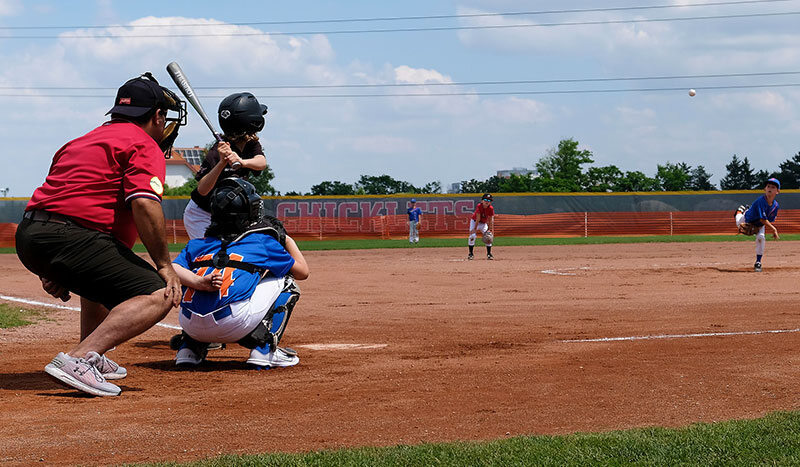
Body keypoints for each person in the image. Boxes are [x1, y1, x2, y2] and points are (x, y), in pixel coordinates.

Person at [15, 72, 186, 397]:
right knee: (158, 293)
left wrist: (54, 267)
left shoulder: (80, 141)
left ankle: (95, 355)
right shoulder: (143, 143)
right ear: (157, 116)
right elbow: (144, 203)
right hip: (72, 236)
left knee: (98, 283)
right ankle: (78, 359)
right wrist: (164, 265)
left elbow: (64, 199)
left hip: (31, 233)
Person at [170, 177, 309, 369]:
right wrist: (285, 239)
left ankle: (188, 349)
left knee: (198, 276)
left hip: (190, 325)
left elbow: (172, 269)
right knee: (286, 280)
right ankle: (264, 350)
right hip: (233, 325)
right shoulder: (261, 242)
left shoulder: (197, 244)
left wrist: (198, 281)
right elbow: (302, 271)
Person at [183, 92, 269, 240]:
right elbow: (202, 190)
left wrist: (242, 162)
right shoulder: (217, 152)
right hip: (202, 214)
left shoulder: (251, 144)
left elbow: (261, 162)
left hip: (226, 215)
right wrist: (222, 163)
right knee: (212, 256)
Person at [735, 177, 780, 272]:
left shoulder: (776, 206)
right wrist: (774, 229)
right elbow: (763, 219)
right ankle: (740, 210)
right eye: (768, 186)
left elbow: (769, 220)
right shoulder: (761, 200)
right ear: (765, 189)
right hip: (747, 219)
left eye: (773, 187)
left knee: (761, 238)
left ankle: (758, 262)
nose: (770, 189)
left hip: (759, 224)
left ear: (777, 191)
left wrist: (767, 227)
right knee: (738, 223)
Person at [468, 193, 495, 260]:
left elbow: (491, 219)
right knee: (472, 236)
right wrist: (474, 229)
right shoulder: (479, 206)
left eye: (489, 200)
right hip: (474, 222)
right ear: (482, 201)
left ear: (490, 202)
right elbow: (478, 219)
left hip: (483, 223)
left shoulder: (491, 208)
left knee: (488, 237)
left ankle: (489, 254)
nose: (487, 201)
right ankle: (471, 254)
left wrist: (490, 229)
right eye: (485, 199)